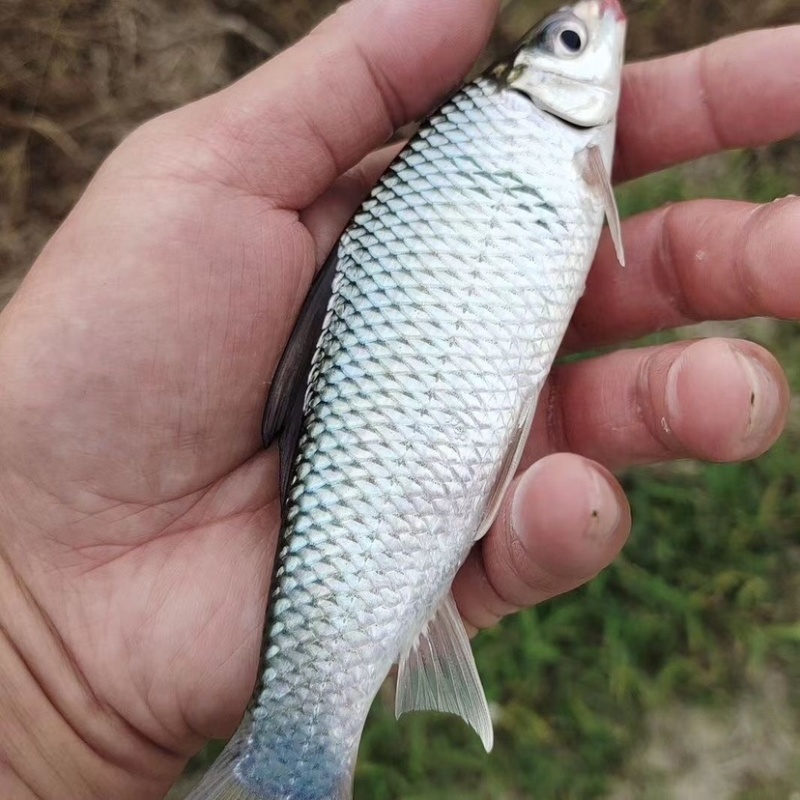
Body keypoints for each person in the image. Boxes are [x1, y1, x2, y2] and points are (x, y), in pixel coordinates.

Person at [0, 0, 797, 797]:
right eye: (572, 39)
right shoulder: (522, 133)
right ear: (535, 77)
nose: (600, 33)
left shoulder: (528, 136)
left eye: (573, 37)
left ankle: (300, 740)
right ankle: (301, 741)